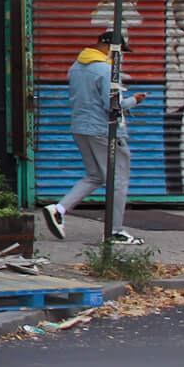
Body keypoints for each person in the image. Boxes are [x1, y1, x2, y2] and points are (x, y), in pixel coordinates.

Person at [43, 30, 144, 244]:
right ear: (111, 48)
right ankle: (116, 232)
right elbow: (112, 105)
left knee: (95, 176)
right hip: (103, 130)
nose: (121, 57)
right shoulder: (105, 70)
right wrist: (134, 100)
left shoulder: (76, 67)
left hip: (81, 128)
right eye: (121, 52)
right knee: (118, 180)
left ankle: (58, 209)